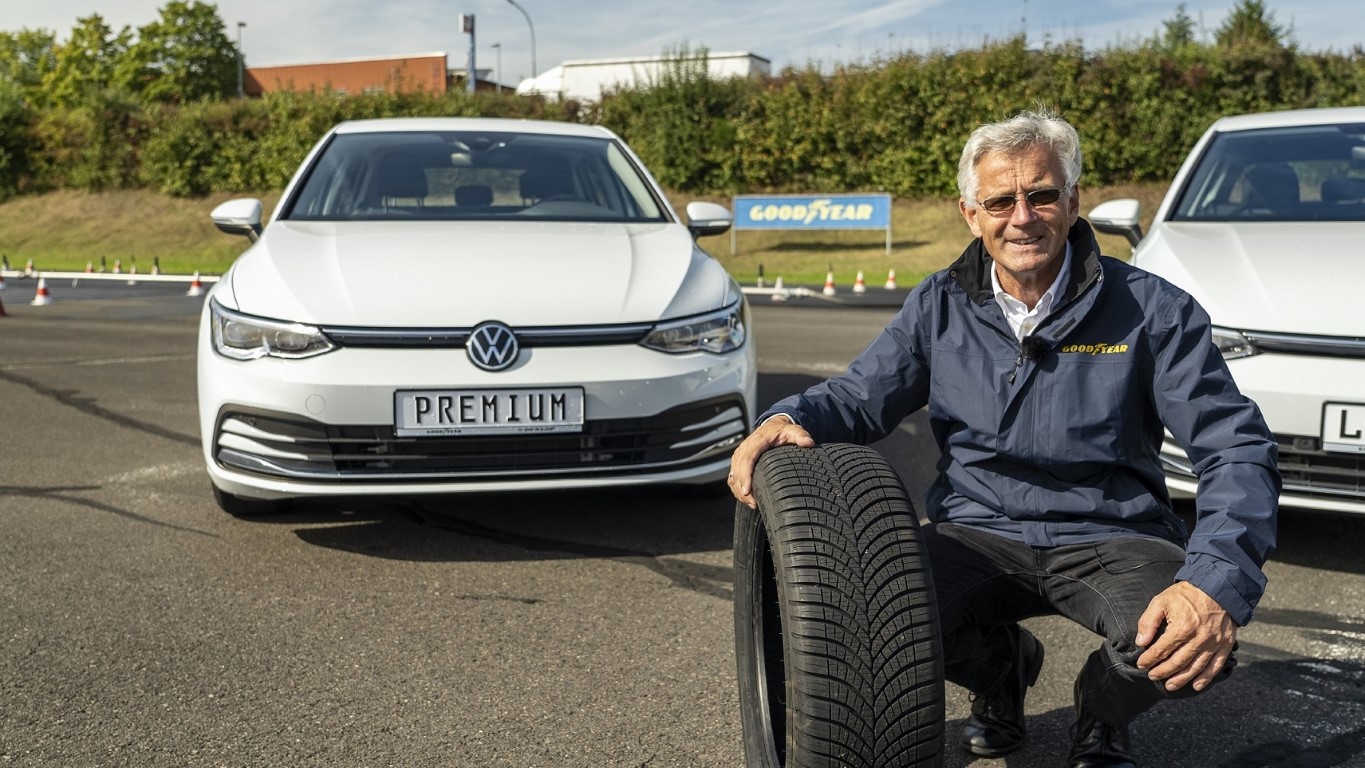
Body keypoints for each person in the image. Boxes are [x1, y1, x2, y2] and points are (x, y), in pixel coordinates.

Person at [727, 109, 1279, 767]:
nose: (1022, 215)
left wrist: (1214, 581)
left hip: (1111, 532)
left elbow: (1235, 446)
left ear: (1072, 203)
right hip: (975, 531)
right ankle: (1001, 672)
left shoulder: (1153, 311)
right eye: (1000, 200)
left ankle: (1100, 707)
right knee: (864, 626)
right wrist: (785, 419)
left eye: (1041, 194)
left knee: (1184, 648)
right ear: (970, 213)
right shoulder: (937, 305)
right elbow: (855, 398)